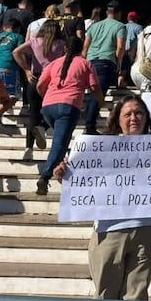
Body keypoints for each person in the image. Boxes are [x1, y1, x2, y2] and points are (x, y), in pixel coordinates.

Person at [52, 96, 151, 300]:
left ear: (146, 117)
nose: (134, 118)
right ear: (117, 119)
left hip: (147, 230)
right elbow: (83, 184)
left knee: (137, 295)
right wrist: (64, 176)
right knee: (105, 295)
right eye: (127, 114)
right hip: (109, 231)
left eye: (139, 113)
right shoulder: (99, 149)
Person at [35, 36, 103, 194]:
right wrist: (101, 101)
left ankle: (42, 127)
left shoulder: (54, 63)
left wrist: (47, 97)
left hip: (48, 106)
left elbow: (39, 85)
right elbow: (94, 87)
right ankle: (45, 177)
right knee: (59, 144)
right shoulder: (85, 63)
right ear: (82, 49)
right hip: (68, 106)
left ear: (65, 48)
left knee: (62, 141)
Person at [13, 20, 65, 161]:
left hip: (35, 78)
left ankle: (28, 148)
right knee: (54, 111)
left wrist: (26, 70)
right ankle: (43, 126)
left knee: (33, 114)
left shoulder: (34, 41)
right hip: (52, 81)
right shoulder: (61, 44)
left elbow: (16, 52)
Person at [83, 0, 126, 134]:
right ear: (119, 13)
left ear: (107, 12)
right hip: (106, 62)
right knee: (97, 95)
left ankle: (88, 123)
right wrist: (118, 63)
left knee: (92, 93)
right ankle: (90, 127)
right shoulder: (120, 26)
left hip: (90, 61)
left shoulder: (94, 26)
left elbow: (85, 47)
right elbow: (120, 47)